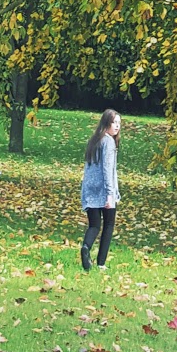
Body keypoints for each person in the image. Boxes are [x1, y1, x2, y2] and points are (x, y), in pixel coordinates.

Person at [80, 109, 121, 271]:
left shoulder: (94, 140)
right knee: (109, 225)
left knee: (94, 225)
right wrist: (110, 194)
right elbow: (107, 169)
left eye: (119, 123)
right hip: (104, 190)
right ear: (106, 123)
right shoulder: (108, 142)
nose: (117, 126)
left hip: (90, 188)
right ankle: (101, 263)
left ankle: (86, 247)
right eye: (114, 122)